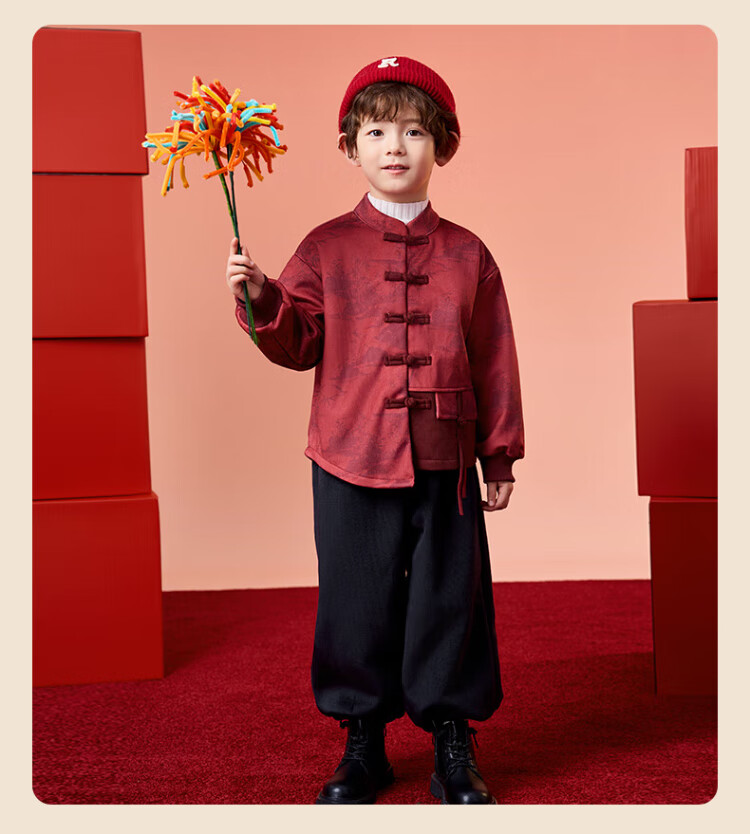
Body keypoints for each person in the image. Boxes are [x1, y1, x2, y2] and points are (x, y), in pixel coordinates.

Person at [225, 55, 524, 805]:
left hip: (447, 457)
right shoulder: (324, 247)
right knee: (355, 601)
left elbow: (494, 357)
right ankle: (363, 742)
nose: (396, 146)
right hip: (349, 452)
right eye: (377, 132)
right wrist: (262, 299)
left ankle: (452, 739)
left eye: (415, 132)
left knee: (449, 600)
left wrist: (499, 456)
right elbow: (298, 343)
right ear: (350, 147)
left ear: (442, 145)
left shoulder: (469, 253)